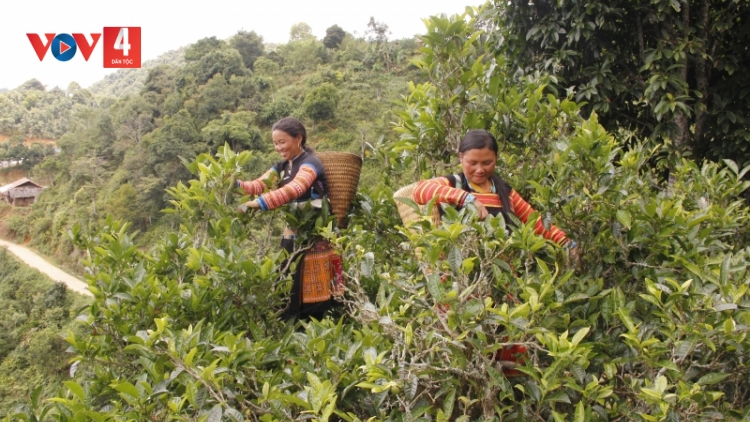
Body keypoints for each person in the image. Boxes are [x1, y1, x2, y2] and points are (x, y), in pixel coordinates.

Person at [236, 117, 343, 321]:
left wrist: (257, 204)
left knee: (314, 301)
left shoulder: (310, 163)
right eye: (275, 143)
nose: (278, 147)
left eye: (282, 142)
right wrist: (234, 183)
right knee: (289, 291)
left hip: (315, 237)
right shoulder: (283, 166)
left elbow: (295, 189)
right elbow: (257, 185)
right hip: (293, 236)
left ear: (298, 139)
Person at [413, 129, 577, 251]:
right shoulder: (453, 183)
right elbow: (420, 190)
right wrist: (467, 198)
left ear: (496, 159)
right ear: (461, 157)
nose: (479, 170)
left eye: (487, 163)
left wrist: (566, 243)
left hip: (504, 273)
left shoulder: (504, 191)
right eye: (473, 163)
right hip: (463, 274)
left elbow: (536, 222)